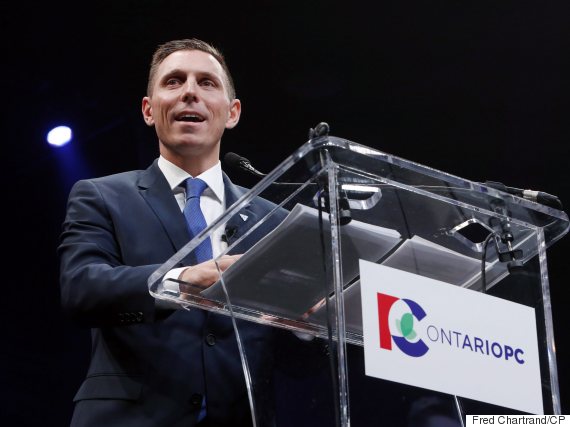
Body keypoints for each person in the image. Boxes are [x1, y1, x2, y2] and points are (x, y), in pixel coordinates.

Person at [58, 38, 288, 426]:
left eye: (207, 83)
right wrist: (180, 281)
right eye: (174, 81)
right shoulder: (100, 195)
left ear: (232, 113)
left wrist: (307, 320)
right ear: (149, 110)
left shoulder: (271, 218)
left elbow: (297, 362)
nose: (189, 93)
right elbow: (82, 288)